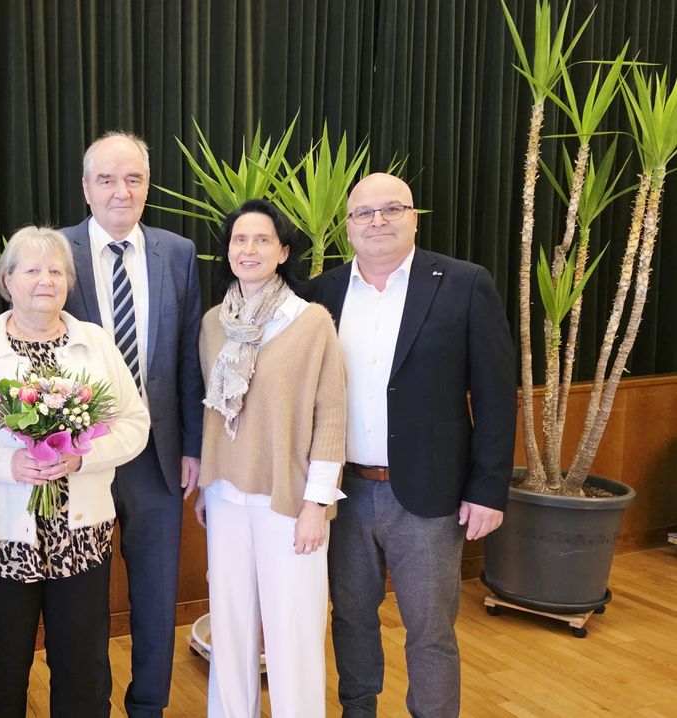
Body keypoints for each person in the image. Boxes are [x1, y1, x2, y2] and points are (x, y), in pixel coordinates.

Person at [307, 173, 516, 717]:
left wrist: (489, 490)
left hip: (428, 495)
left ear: (414, 217)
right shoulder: (321, 293)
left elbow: (495, 396)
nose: (377, 221)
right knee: (351, 617)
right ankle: (359, 710)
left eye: (391, 209)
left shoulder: (465, 284)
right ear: (347, 225)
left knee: (430, 628)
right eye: (364, 213)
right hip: (343, 492)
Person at [0, 227, 150, 717]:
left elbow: (135, 425)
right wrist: (7, 464)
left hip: (82, 535)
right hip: (2, 539)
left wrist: (83, 456)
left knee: (84, 666)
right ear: (7, 279)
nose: (45, 280)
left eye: (55, 271)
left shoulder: (96, 343)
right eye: (31, 269)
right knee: (6, 666)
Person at [60, 132, 204, 717]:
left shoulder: (179, 252)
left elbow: (191, 359)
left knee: (155, 594)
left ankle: (149, 707)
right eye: (107, 179)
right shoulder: (55, 252)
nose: (121, 191)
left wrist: (193, 445)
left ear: (148, 185)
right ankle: (88, 704)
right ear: (86, 188)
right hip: (81, 455)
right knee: (83, 599)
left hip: (157, 457)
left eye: (134, 179)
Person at [196, 200, 347, 718]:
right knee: (230, 626)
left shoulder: (310, 323)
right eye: (240, 240)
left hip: (289, 501)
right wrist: (207, 484)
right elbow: (213, 414)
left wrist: (315, 505)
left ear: (283, 252)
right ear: (228, 252)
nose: (249, 249)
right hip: (224, 496)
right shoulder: (215, 322)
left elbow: (330, 418)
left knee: (294, 632)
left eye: (262, 240)